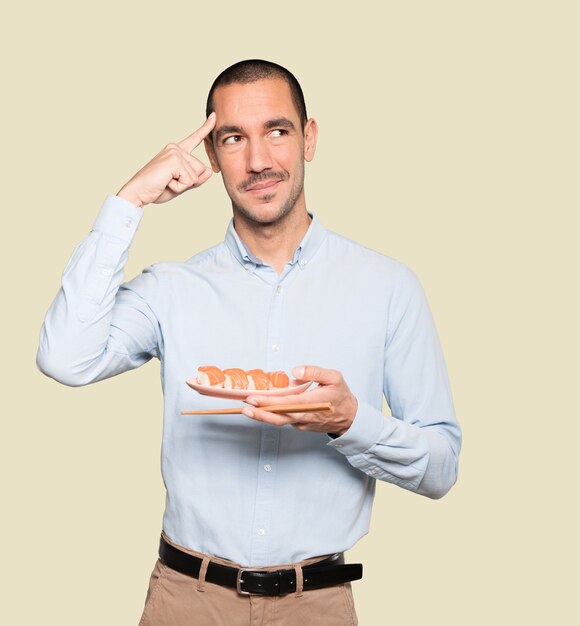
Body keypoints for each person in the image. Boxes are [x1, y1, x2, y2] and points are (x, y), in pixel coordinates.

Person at [37, 59, 461, 625]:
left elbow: (440, 467)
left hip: (318, 605)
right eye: (233, 139)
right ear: (211, 157)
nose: (258, 161)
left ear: (308, 139)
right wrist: (128, 202)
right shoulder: (172, 289)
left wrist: (350, 420)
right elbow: (65, 358)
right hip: (186, 600)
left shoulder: (388, 287)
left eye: (277, 132)